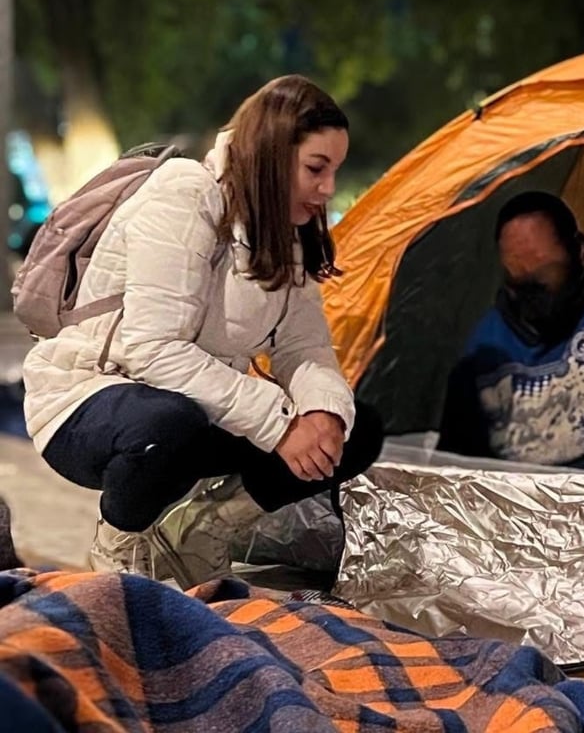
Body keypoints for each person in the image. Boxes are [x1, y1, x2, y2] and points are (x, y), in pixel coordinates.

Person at [21, 75, 383, 589]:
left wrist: (321, 413)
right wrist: (279, 424)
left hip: (196, 405)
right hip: (89, 399)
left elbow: (304, 346)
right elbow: (153, 350)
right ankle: (119, 549)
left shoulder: (288, 233)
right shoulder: (184, 193)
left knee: (353, 428)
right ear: (272, 155)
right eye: (315, 169)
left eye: (334, 171)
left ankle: (203, 530)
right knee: (169, 424)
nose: (327, 189)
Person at [437, 191, 584, 473]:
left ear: (579, 252)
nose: (532, 287)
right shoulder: (487, 342)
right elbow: (453, 457)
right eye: (518, 275)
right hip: (505, 501)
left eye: (544, 271)